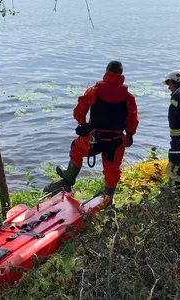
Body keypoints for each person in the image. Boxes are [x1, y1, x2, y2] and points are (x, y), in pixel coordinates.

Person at [43, 61, 139, 205]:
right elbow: (133, 117)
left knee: (76, 148)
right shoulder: (128, 96)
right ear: (121, 74)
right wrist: (130, 135)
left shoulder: (94, 90)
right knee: (112, 171)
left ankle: (69, 177)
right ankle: (108, 199)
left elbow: (80, 110)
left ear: (106, 72)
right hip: (116, 140)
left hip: (94, 138)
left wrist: (82, 124)